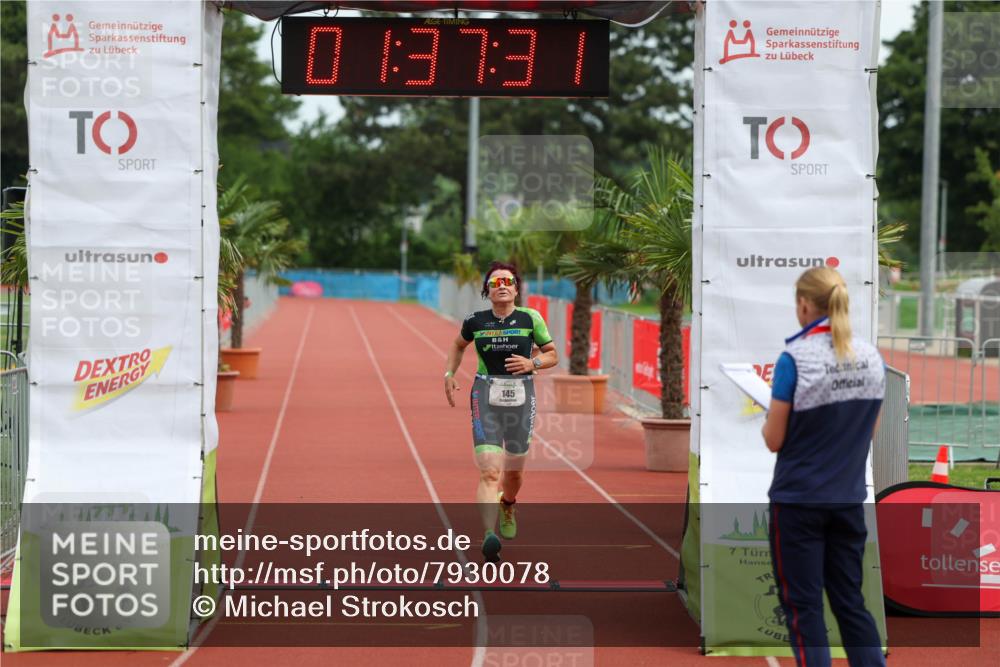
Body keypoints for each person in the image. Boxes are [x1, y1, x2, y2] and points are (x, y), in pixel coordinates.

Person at [761, 266, 886, 667]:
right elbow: (870, 430)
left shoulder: (794, 359)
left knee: (804, 608)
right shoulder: (870, 357)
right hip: (848, 500)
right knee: (850, 601)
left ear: (803, 304)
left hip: (798, 501)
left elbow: (773, 439)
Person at [444, 262, 558, 562]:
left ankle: (508, 504)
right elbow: (458, 346)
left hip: (522, 397)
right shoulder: (475, 321)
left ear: (516, 288)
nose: (502, 285)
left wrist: (531, 364)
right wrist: (449, 374)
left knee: (514, 472)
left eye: (508, 281)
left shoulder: (530, 318)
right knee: (490, 470)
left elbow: (552, 355)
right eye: (495, 283)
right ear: (488, 291)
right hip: (485, 395)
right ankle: (488, 535)